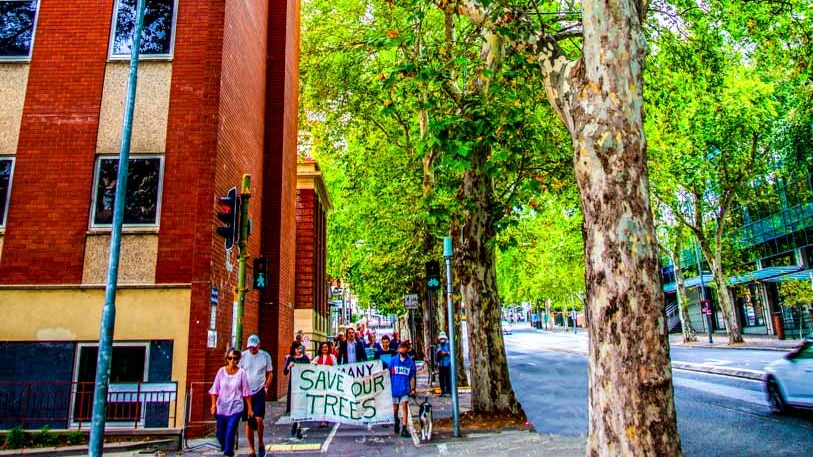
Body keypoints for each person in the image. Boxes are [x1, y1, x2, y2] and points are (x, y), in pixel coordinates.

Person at [209, 348, 253, 457]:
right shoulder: (221, 371)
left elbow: (246, 392)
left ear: (238, 360)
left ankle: (228, 453)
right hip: (222, 407)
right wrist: (213, 405)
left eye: (235, 358)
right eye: (230, 358)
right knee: (220, 434)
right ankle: (228, 449)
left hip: (236, 406)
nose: (232, 361)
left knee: (230, 431)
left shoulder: (242, 373)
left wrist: (250, 409)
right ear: (226, 358)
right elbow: (215, 390)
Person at [240, 335, 273, 457]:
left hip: (259, 390)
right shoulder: (243, 357)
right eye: (250, 347)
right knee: (249, 421)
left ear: (259, 345)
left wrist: (266, 386)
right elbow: (239, 373)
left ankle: (260, 442)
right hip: (246, 392)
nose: (252, 349)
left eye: (254, 347)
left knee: (259, 419)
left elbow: (270, 373)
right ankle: (251, 449)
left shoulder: (265, 356)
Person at [284, 342, 310, 439]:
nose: (299, 350)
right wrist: (288, 366)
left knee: (300, 406)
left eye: (300, 348)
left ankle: (299, 427)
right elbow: (285, 372)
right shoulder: (290, 358)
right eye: (297, 348)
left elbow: (310, 370)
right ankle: (296, 423)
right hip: (293, 386)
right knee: (295, 406)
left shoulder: (305, 358)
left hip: (303, 385)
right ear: (294, 349)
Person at [390, 341, 416, 438]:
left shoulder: (409, 362)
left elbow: (412, 376)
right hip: (395, 388)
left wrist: (413, 389)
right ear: (398, 350)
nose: (403, 350)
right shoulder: (393, 361)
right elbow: (388, 373)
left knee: (404, 405)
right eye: (401, 348)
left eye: (405, 348)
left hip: (405, 388)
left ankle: (404, 427)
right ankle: (396, 420)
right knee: (395, 409)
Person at [312, 342, 336, 427]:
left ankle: (327, 418)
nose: (325, 349)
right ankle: (322, 419)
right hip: (320, 383)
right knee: (321, 401)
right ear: (320, 349)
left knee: (328, 400)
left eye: (326, 347)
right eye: (323, 347)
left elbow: (335, 367)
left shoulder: (332, 357)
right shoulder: (317, 358)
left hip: (329, 381)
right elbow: (312, 365)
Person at [435, 332, 451, 397]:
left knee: (448, 378)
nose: (442, 340)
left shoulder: (448, 344)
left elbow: (451, 352)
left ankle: (449, 391)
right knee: (441, 378)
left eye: (443, 338)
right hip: (441, 364)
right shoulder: (439, 345)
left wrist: (446, 353)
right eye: (441, 338)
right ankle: (443, 391)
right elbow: (437, 353)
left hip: (447, 364)